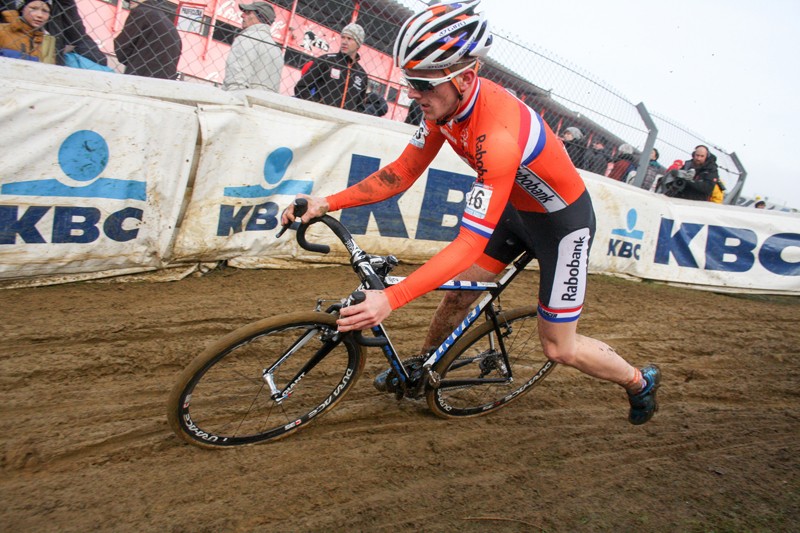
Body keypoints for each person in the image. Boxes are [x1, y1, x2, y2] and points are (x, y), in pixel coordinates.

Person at [282, 0, 660, 426]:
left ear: (464, 77)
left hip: (562, 227)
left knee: (559, 348)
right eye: (409, 80)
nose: (412, 93)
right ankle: (425, 368)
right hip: (515, 213)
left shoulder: (496, 132)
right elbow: (402, 173)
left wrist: (390, 298)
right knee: (459, 294)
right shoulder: (445, 107)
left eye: (423, 84)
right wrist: (326, 202)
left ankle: (637, 381)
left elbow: (467, 244)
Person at [293, 22, 368, 112]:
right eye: (343, 37)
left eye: (349, 39)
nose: (344, 42)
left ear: (358, 44)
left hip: (344, 124)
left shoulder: (362, 75)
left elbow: (360, 107)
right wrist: (315, 107)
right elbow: (301, 87)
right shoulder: (326, 61)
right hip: (320, 118)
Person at [222, 2, 283, 92]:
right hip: (265, 103)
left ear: (259, 17)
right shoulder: (276, 49)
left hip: (242, 101)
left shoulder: (246, 38)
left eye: (248, 12)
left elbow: (235, 81)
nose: (242, 15)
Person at [113, 0, 182, 79]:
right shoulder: (167, 22)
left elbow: (122, 47)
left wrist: (135, 61)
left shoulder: (141, 12)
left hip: (140, 76)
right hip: (164, 81)